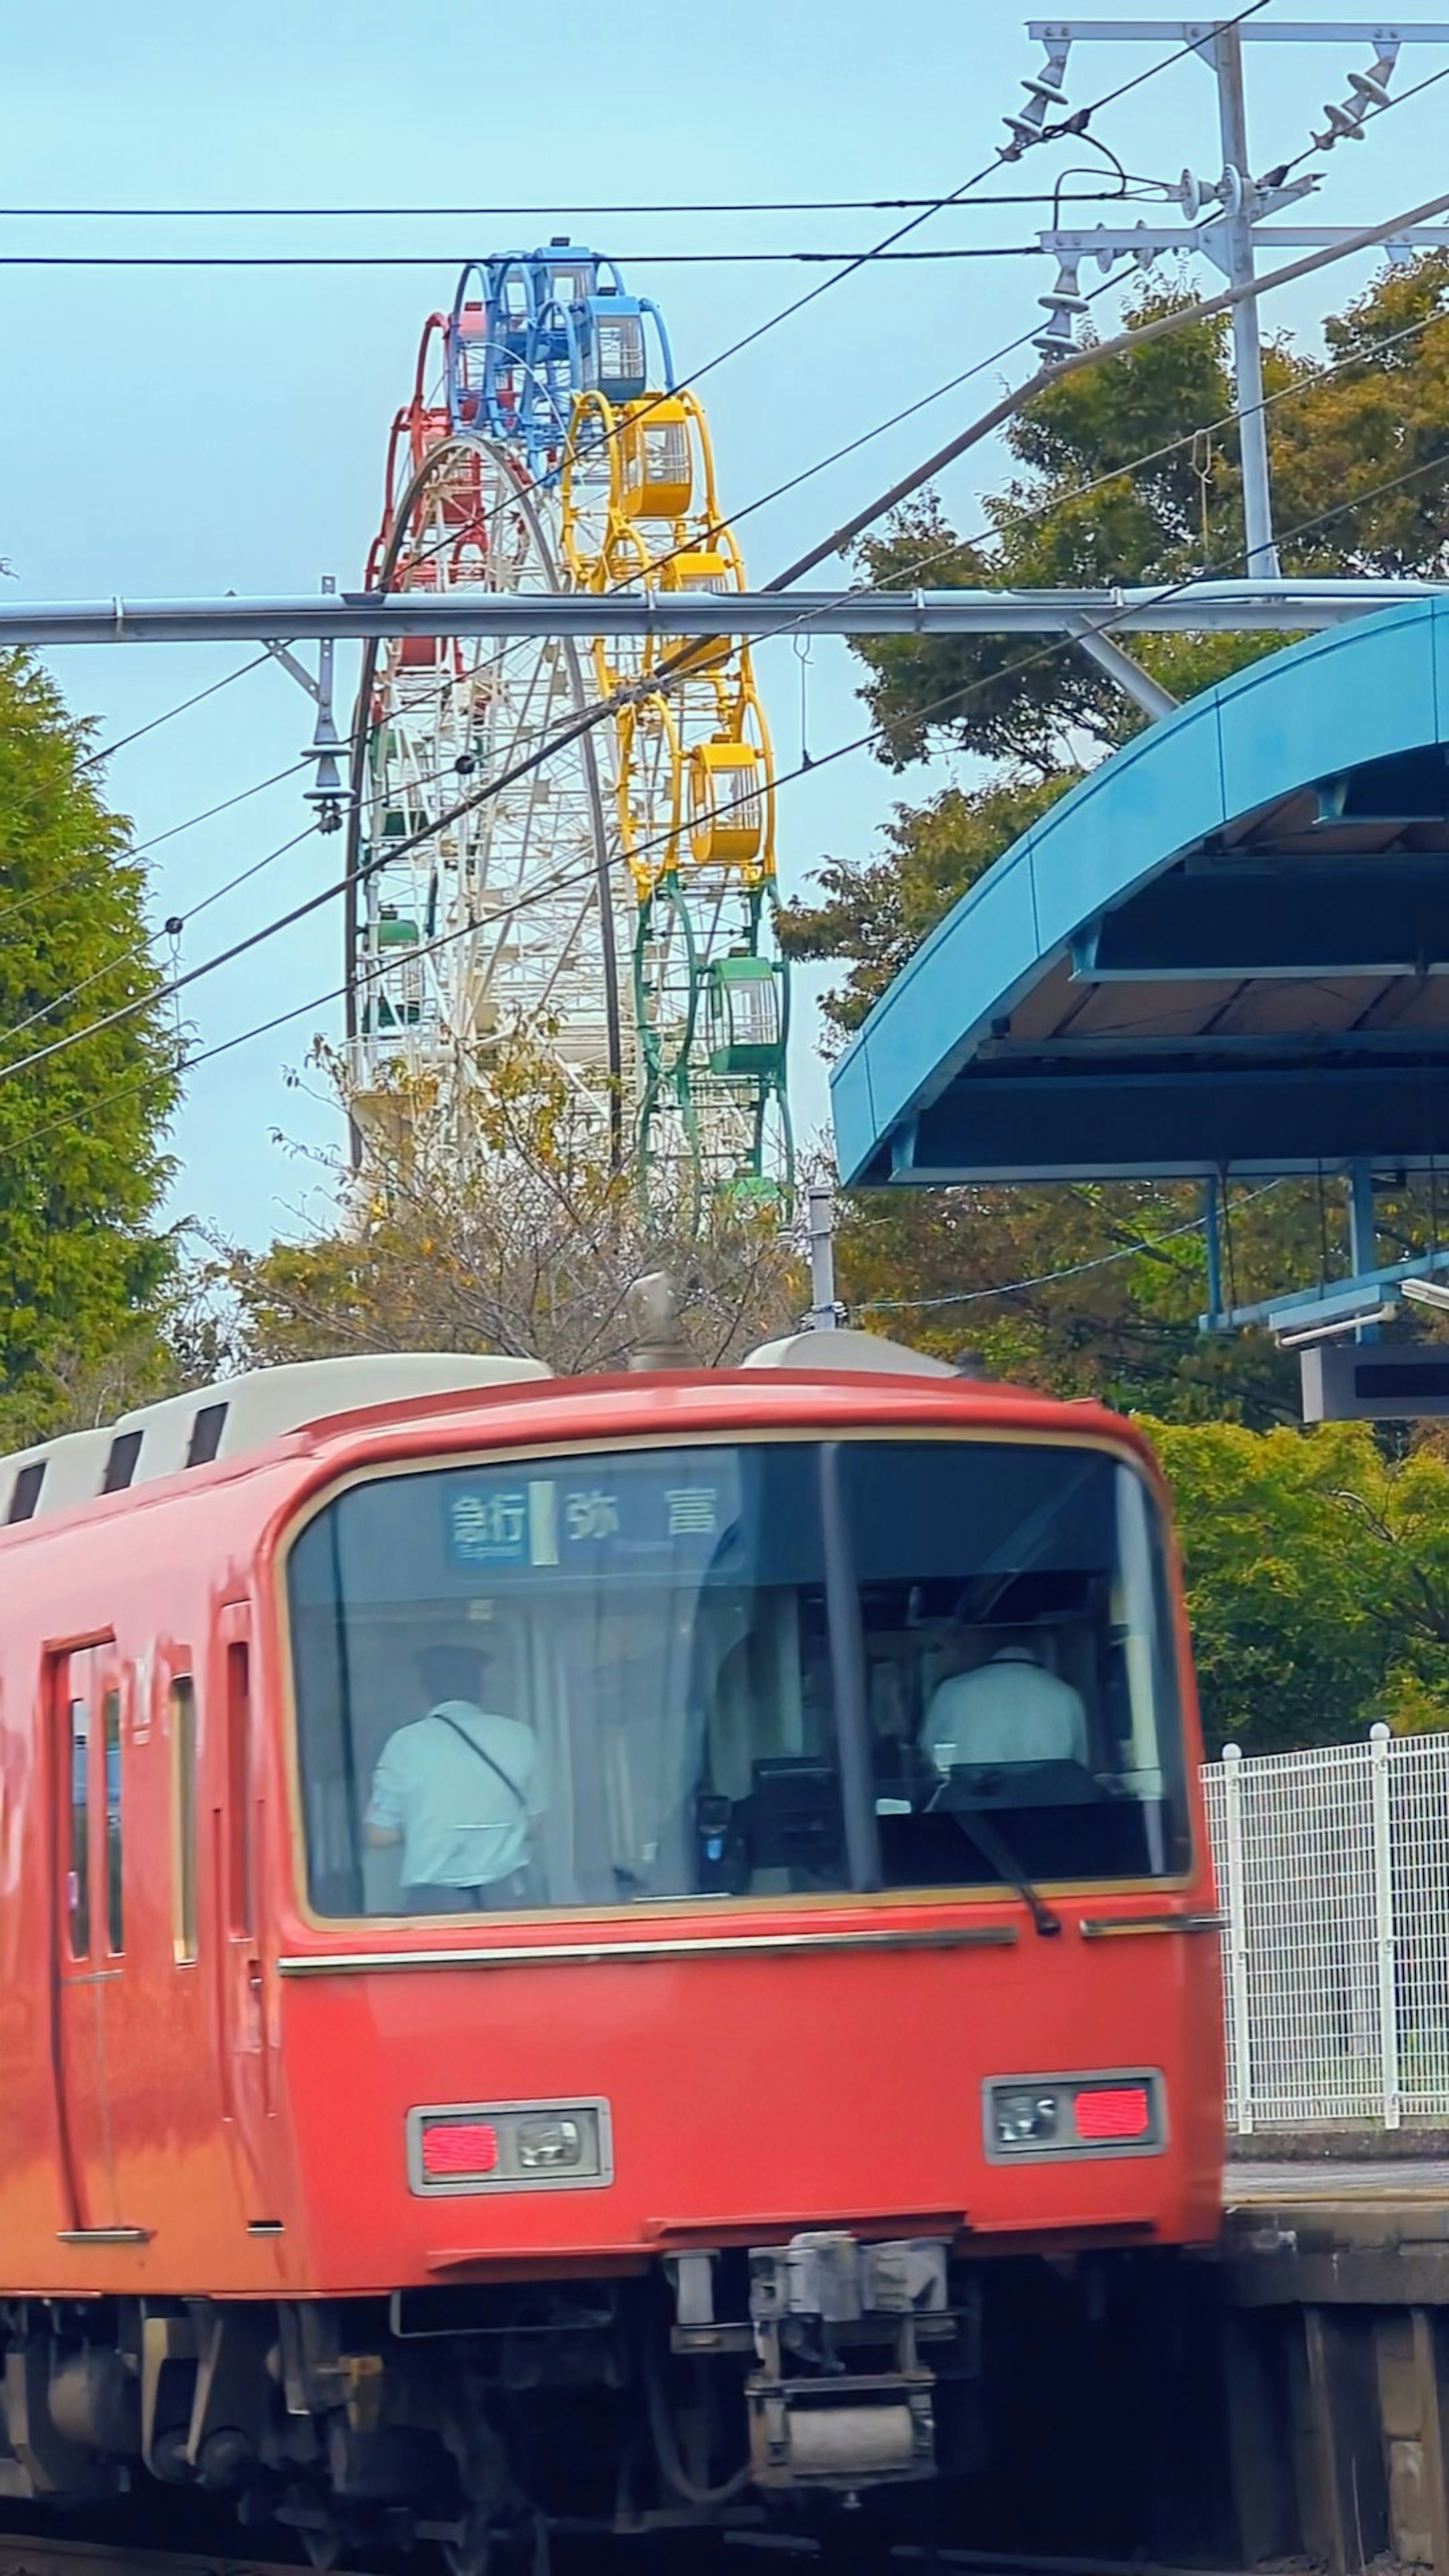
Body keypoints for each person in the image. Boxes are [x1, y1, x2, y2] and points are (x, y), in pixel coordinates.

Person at [365, 1644, 543, 1913]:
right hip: (506, 1898)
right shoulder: (519, 1736)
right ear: (480, 1689)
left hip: (435, 1904)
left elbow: (380, 1834)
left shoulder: (405, 1743)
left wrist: (427, 1825)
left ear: (425, 1692)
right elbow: (534, 1824)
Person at [921, 1627, 1089, 1776]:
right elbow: (1080, 1770)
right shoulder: (1067, 1696)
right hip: (1053, 1810)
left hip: (970, 1809)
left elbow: (929, 1763)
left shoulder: (952, 1692)